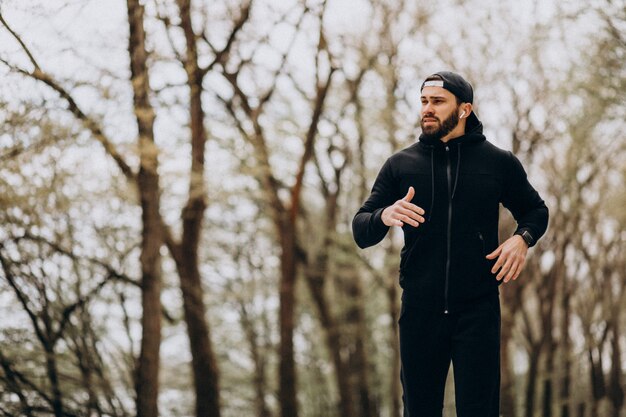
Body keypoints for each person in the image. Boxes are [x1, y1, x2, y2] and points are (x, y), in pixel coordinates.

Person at [352, 71, 549, 417]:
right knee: (419, 409)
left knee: (480, 410)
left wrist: (522, 239)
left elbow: (536, 210)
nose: (427, 109)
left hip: (478, 309)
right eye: (424, 101)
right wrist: (384, 214)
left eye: (437, 102)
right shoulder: (401, 165)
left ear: (464, 109)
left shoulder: (497, 163)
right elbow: (360, 229)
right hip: (420, 309)